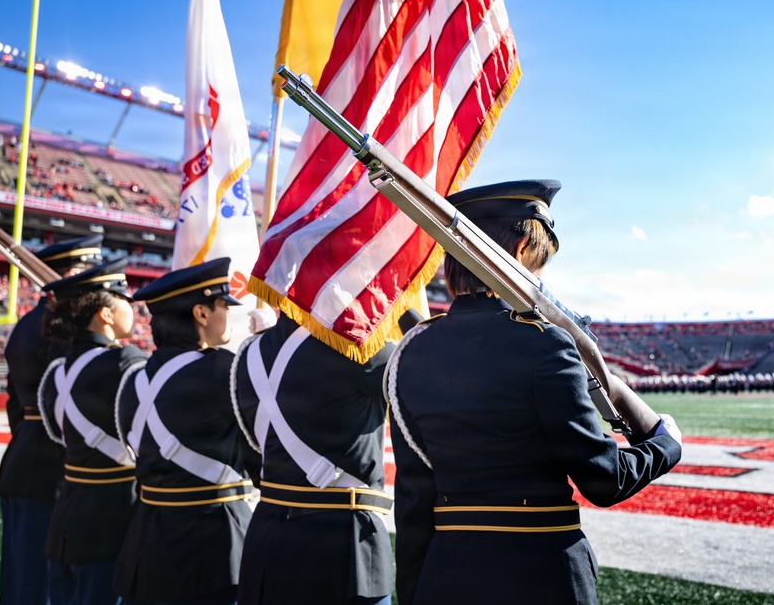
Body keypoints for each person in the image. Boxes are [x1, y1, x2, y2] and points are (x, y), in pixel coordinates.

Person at [387, 180, 683, 605]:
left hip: (446, 578)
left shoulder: (412, 352)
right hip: (542, 576)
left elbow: (415, 503)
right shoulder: (546, 342)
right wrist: (665, 444)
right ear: (524, 246)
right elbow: (603, 478)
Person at [230, 304, 419, 605]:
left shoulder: (249, 354)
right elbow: (432, 366)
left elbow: (253, 458)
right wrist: (398, 305)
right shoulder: (358, 344)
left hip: (267, 539)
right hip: (343, 547)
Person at [113, 257, 259, 605]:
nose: (228, 313)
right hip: (213, 545)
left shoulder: (134, 379)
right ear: (202, 314)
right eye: (223, 304)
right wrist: (265, 343)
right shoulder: (222, 369)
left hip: (147, 541)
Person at [0, 234, 104, 605]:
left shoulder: (29, 324)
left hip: (25, 451)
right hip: (52, 463)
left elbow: (15, 402)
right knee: (40, 583)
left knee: (19, 576)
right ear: (74, 275)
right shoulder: (64, 331)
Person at [37, 258, 146, 605]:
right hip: (112, 522)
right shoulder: (124, 362)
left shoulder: (57, 369)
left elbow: (58, 435)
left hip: (66, 519)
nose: (132, 305)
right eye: (124, 297)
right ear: (106, 313)